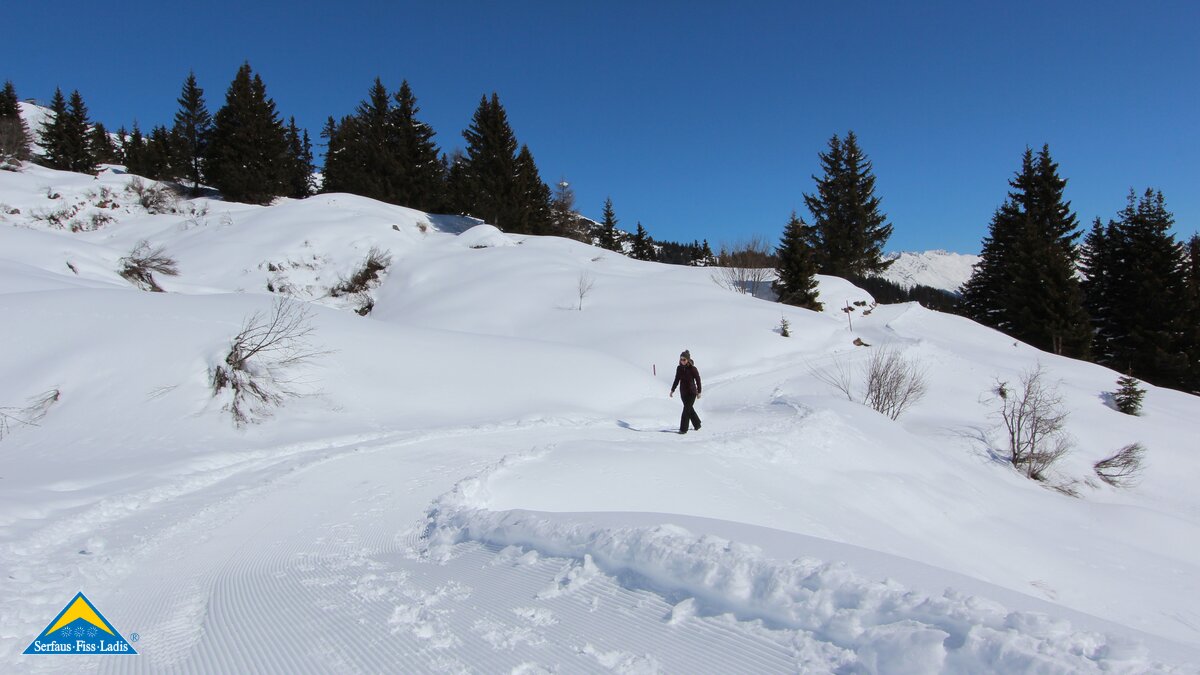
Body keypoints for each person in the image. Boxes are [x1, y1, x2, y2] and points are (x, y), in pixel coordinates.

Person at [670, 350, 702, 434]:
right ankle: (697, 424)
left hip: (692, 392)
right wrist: (672, 389)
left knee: (686, 410)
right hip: (683, 393)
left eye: (684, 359)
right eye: (681, 359)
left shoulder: (693, 369)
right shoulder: (679, 368)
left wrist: (699, 392)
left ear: (688, 360)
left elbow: (698, 380)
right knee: (689, 409)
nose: (682, 361)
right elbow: (676, 379)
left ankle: (683, 429)